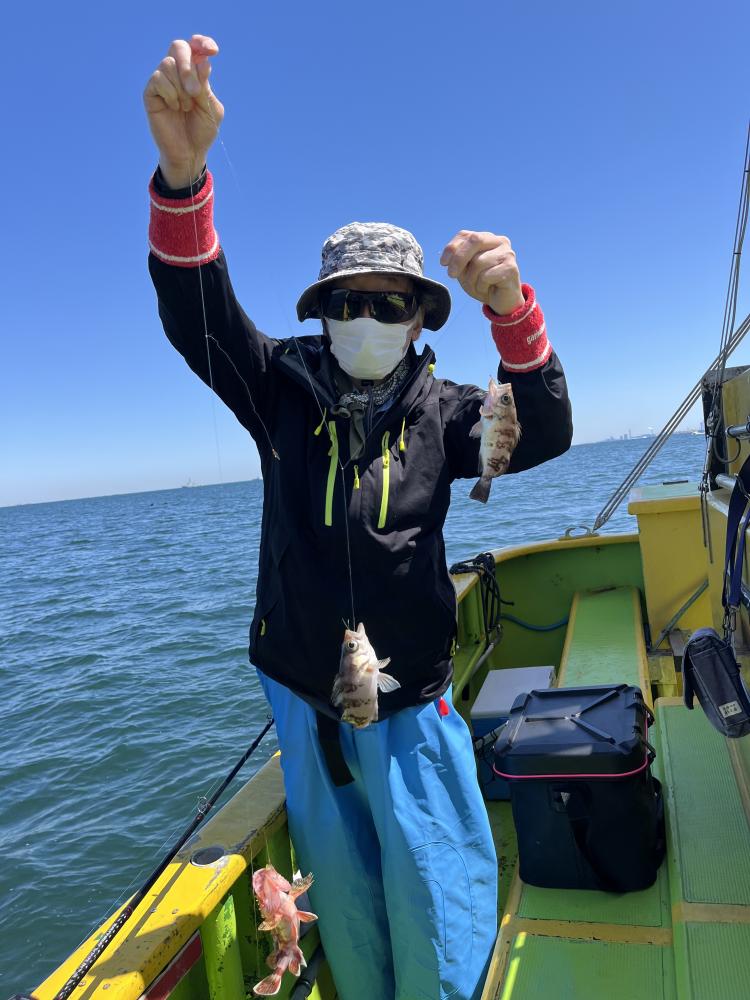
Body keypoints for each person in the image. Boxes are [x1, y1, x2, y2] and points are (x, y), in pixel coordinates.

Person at [144, 34, 572, 1000]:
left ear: (419, 317)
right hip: (305, 694)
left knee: (437, 902)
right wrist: (183, 179)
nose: (368, 317)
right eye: (350, 302)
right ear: (323, 312)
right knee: (343, 902)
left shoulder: (453, 410)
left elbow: (543, 430)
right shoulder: (277, 385)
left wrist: (512, 310)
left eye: (390, 303)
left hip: (412, 695)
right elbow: (195, 317)